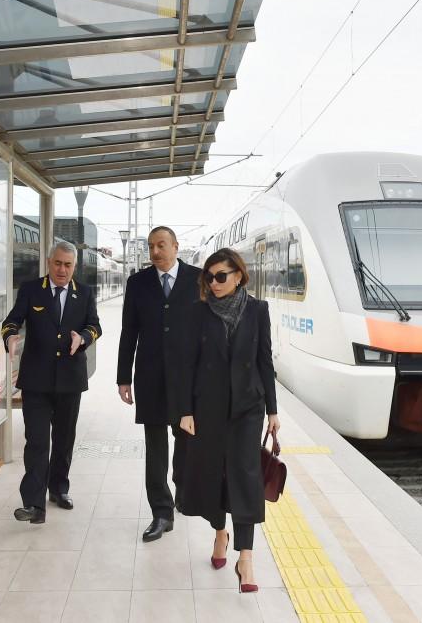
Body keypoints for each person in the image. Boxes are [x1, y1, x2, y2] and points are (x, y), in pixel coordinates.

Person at [178, 247, 280, 593]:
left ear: (239, 276)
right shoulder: (198, 313)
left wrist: (273, 411)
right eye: (210, 276)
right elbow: (185, 365)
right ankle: (221, 533)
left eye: (221, 276)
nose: (214, 282)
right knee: (215, 474)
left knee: (246, 477)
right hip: (207, 408)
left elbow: (264, 360)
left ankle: (246, 557)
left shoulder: (258, 310)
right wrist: (185, 411)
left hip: (247, 408)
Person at [1, 241, 101, 524]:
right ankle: (34, 504)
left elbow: (95, 325)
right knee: (36, 441)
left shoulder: (85, 293)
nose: (62, 269)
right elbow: (11, 321)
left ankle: (59, 489)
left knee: (64, 439)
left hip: (70, 380)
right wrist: (10, 338)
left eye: (68, 265)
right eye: (58, 263)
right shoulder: (32, 289)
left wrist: (82, 338)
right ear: (49, 262)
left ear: (74, 267)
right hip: (36, 381)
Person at [117, 226, 201, 542]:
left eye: (161, 245)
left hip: (188, 381)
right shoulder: (137, 283)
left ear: (176, 246)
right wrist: (124, 377)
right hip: (150, 377)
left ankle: (181, 488)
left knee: (187, 443)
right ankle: (161, 513)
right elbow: (129, 332)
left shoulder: (198, 279)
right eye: (151, 246)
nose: (155, 252)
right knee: (155, 448)